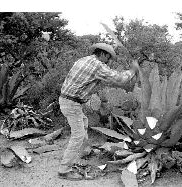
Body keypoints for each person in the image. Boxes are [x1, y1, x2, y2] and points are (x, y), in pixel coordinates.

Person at [58, 43, 140, 180]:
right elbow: (120, 79)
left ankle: (78, 158)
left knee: (83, 125)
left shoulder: (83, 60)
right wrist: (133, 70)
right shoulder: (97, 65)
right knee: (78, 136)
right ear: (103, 54)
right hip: (72, 103)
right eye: (108, 58)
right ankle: (64, 170)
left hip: (67, 101)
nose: (108, 61)